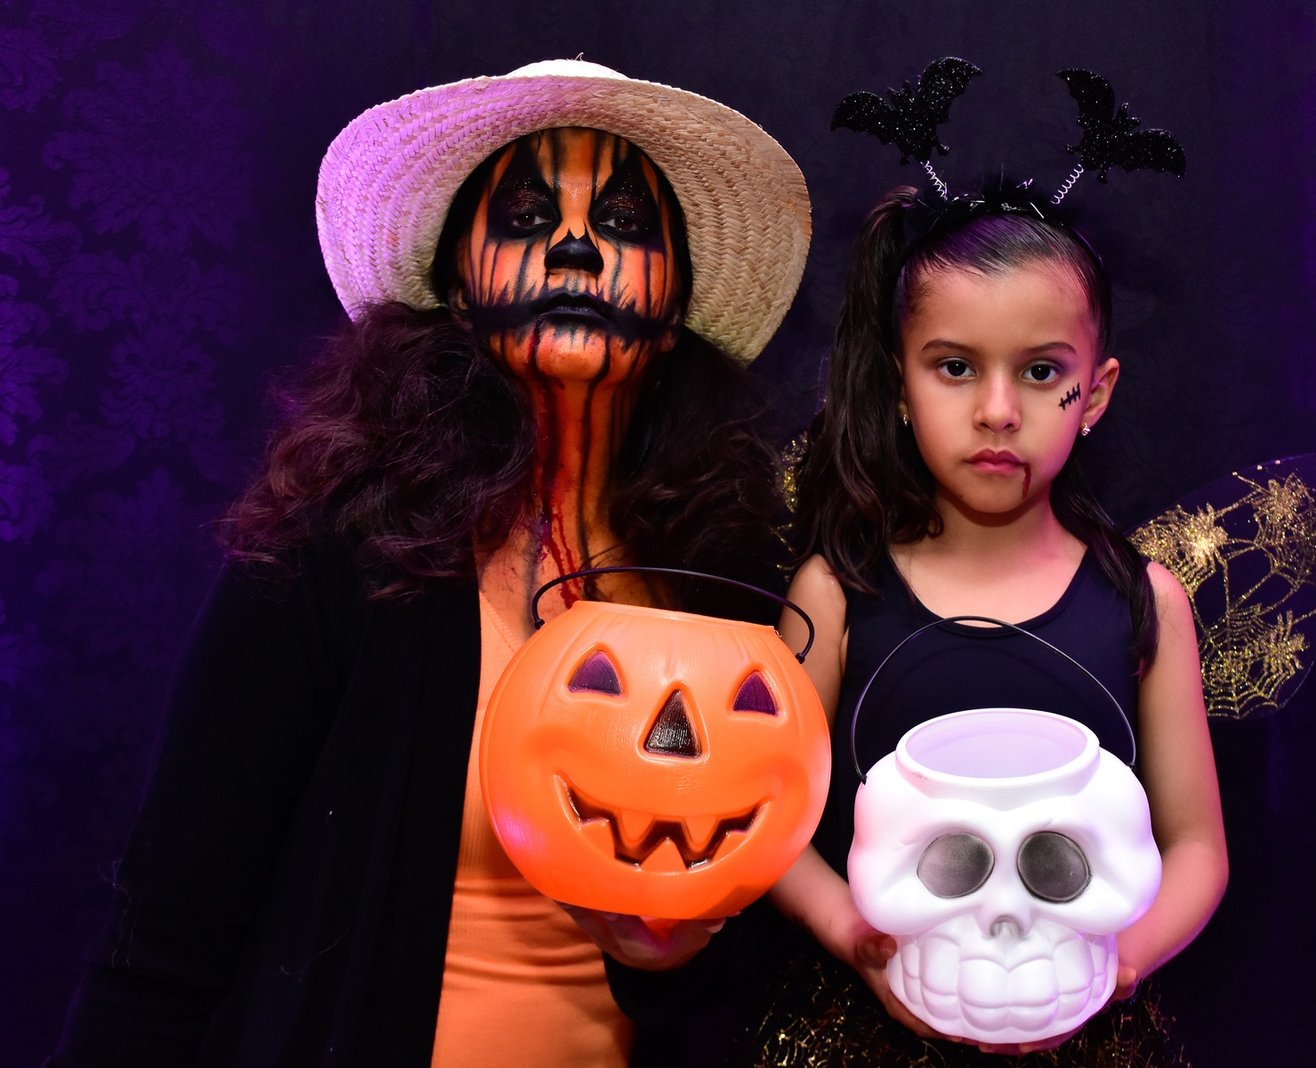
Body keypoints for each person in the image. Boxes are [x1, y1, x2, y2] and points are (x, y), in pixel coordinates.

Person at [49, 59, 810, 1067]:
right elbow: (167, 935)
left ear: (671, 312)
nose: (575, 247)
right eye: (527, 220)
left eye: (624, 225)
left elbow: (746, 979)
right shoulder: (339, 553)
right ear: (457, 290)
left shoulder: (726, 580)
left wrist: (671, 959)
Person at [749, 183, 1228, 1064]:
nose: (998, 410)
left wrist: (1119, 965)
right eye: (956, 367)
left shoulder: (1145, 601)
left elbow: (1196, 844)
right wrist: (851, 934)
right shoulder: (835, 593)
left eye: (1041, 372)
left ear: (1095, 393)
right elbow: (764, 818)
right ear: (900, 384)